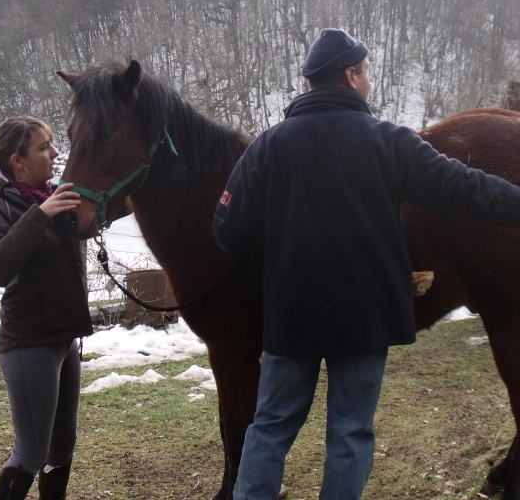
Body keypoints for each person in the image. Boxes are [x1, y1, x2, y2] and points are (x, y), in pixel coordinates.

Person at [212, 28, 520, 499]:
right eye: (369, 71)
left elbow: (228, 228)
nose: (370, 79)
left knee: (271, 426)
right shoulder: (388, 141)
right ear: (352, 75)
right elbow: (466, 188)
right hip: (365, 317)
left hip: (292, 316)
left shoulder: (270, 146)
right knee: (351, 432)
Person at [0, 116, 93, 500]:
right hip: (29, 344)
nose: (55, 153)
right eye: (43, 147)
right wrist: (41, 216)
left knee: (62, 446)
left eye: (53, 144)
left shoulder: (45, 196)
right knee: (31, 451)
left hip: (63, 338)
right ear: (17, 161)